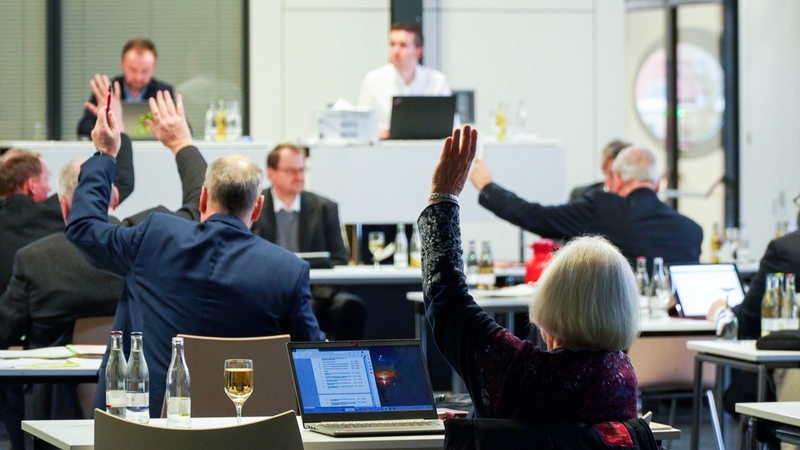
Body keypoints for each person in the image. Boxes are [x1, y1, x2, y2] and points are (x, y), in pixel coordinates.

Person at [66, 93, 324, 417]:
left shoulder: (156, 238)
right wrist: (182, 144)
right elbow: (312, 358)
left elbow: (84, 228)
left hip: (152, 433)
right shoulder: (287, 271)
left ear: (203, 198)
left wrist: (105, 154)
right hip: (246, 432)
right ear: (257, 208)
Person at [421, 125, 639, 421]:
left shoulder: (518, 371)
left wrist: (443, 196)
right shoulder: (621, 378)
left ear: (548, 303)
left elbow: (447, 298)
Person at [470, 145, 703, 269]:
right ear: (657, 182)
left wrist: (488, 187)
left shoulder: (603, 207)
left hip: (615, 337)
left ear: (618, 179)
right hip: (677, 345)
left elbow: (536, 216)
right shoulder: (691, 230)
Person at [252, 144, 366, 340]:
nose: (299, 176)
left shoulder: (324, 208)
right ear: (271, 172)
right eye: (291, 171)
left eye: (302, 170)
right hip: (269, 293)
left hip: (316, 294)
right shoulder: (255, 205)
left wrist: (310, 299)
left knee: (350, 306)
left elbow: (339, 258)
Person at [357, 21, 451, 139]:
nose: (395, 51)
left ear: (418, 51)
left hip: (427, 150)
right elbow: (360, 127)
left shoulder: (437, 81)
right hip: (385, 151)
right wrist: (382, 133)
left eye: (403, 45)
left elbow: (451, 126)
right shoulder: (373, 80)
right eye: (392, 44)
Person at [76, 38, 174, 138]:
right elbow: (83, 128)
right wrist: (104, 123)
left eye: (144, 71)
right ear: (122, 64)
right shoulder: (107, 90)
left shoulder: (163, 92)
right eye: (133, 70)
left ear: (154, 67)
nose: (138, 77)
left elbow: (182, 128)